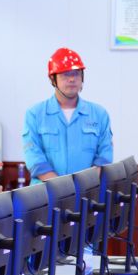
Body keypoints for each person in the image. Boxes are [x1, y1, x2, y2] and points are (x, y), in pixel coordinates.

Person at [23, 47, 113, 181]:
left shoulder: (99, 114)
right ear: (52, 79)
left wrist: (85, 186)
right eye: (65, 74)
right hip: (45, 192)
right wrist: (62, 187)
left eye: (76, 73)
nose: (72, 79)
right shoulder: (35, 114)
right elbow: (33, 157)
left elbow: (104, 157)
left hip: (87, 190)